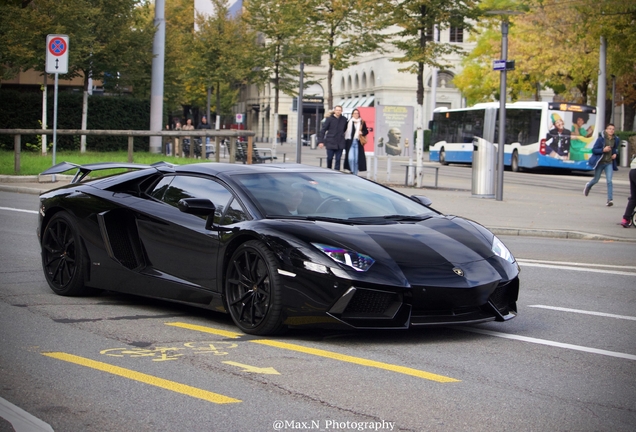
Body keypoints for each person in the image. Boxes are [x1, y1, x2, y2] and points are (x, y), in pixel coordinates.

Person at [584, 123, 619, 206]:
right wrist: (603, 150)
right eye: (609, 129)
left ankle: (610, 200)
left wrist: (615, 154)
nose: (611, 130)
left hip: (609, 163)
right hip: (600, 162)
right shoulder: (601, 139)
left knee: (609, 181)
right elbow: (594, 150)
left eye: (613, 129)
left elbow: (615, 149)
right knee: (596, 179)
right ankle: (588, 185)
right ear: (606, 130)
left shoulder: (616, 139)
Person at [318, 105, 347, 170]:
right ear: (334, 111)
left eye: (339, 110)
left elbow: (345, 129)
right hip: (330, 141)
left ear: (341, 111)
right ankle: (329, 170)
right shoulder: (329, 119)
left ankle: (336, 172)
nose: (338, 111)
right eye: (337, 110)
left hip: (340, 142)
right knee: (330, 158)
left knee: (338, 159)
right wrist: (321, 141)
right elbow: (323, 130)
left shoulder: (344, 119)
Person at [343, 108, 368, 175]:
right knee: (351, 158)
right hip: (350, 142)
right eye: (355, 113)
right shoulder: (349, 122)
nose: (356, 114)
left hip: (358, 142)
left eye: (357, 113)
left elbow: (366, 131)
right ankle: (352, 170)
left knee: (357, 159)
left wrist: (362, 132)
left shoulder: (362, 122)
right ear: (352, 114)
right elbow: (343, 131)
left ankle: (355, 174)